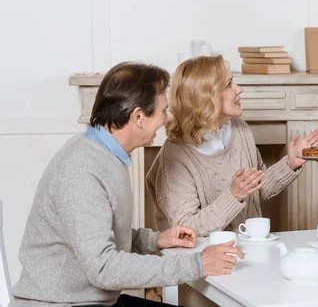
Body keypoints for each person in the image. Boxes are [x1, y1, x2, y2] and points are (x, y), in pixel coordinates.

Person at [10, 62, 243, 307]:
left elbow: (98, 235)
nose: (166, 119)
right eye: (163, 111)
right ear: (139, 117)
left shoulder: (106, 156)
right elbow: (104, 267)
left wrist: (156, 240)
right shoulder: (81, 169)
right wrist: (197, 264)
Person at [145, 55, 318, 237]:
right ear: (207, 97)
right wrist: (234, 196)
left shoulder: (239, 128)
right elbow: (185, 230)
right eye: (229, 84)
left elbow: (257, 189)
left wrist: (290, 163)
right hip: (200, 257)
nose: (239, 89)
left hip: (247, 244)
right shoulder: (175, 155)